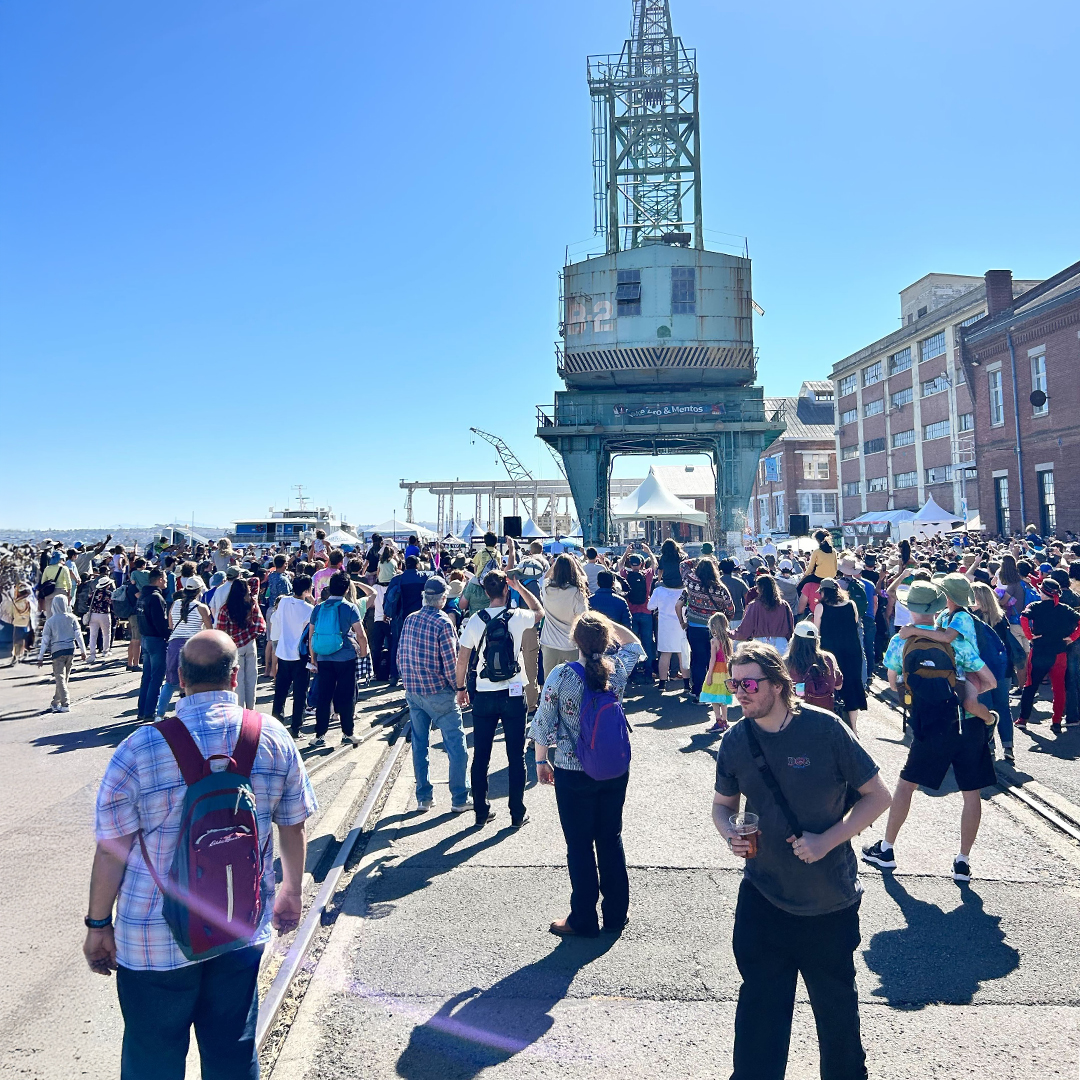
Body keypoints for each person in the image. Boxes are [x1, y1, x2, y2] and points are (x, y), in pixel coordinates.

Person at [85, 630, 315, 1079]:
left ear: (179, 678)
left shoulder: (139, 748)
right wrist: (290, 892)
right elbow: (293, 824)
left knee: (151, 1058)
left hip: (153, 939)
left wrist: (98, 924)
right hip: (238, 925)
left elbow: (112, 851)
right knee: (232, 1050)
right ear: (234, 678)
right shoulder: (270, 736)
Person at [712, 641, 890, 1080]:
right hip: (763, 895)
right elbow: (721, 805)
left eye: (749, 683)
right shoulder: (736, 740)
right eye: (734, 684)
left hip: (827, 901)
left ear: (778, 684)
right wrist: (728, 831)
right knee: (760, 1012)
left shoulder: (826, 730)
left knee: (837, 1017)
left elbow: (878, 797)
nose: (740, 692)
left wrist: (827, 840)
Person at [862, 580, 997, 883]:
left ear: (909, 608)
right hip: (968, 724)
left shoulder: (900, 642)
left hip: (931, 723)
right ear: (937, 608)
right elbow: (990, 681)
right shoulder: (957, 642)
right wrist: (966, 692)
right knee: (970, 792)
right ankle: (962, 862)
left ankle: (887, 848)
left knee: (906, 785)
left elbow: (893, 681)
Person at [531, 612, 643, 937]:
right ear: (607, 640)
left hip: (572, 769)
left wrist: (541, 762)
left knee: (579, 844)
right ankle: (615, 914)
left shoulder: (562, 675)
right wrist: (607, 624)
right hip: (613, 768)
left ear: (575, 641)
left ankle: (583, 918)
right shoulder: (618, 670)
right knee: (610, 838)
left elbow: (543, 722)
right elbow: (634, 645)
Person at [455, 570, 544, 828]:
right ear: (506, 590)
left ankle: (481, 812)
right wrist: (520, 588)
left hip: (484, 692)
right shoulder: (516, 616)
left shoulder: (475, 620)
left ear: (485, 592)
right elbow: (539, 612)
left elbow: (462, 659)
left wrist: (461, 688)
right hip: (513, 692)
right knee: (515, 756)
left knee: (481, 755)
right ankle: (517, 814)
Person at [397, 576, 471, 813]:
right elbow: (452, 664)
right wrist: (460, 688)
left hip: (414, 691)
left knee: (420, 744)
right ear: (442, 598)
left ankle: (424, 797)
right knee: (456, 744)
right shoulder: (442, 622)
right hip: (438, 692)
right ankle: (460, 798)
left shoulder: (410, 619)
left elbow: (401, 655)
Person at [309, 571, 369, 747]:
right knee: (346, 695)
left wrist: (313, 658)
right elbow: (361, 634)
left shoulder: (319, 608)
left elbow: (312, 635)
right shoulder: (350, 607)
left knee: (324, 696)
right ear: (345, 589)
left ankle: (319, 735)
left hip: (323, 657)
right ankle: (347, 732)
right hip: (345, 657)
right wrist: (363, 653)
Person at [1016, 577, 1080, 732]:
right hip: (1059, 653)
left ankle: (1023, 719)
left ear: (1042, 591)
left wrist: (1030, 636)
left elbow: (1023, 618)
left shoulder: (1035, 606)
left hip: (1040, 652)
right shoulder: (1064, 609)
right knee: (1059, 688)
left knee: (1030, 686)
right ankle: (1056, 721)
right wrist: (1072, 638)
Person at [813, 578, 868, 733]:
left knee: (830, 684)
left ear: (824, 592)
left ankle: (831, 725)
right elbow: (855, 622)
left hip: (830, 653)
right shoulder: (851, 604)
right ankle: (854, 728)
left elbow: (816, 632)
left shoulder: (820, 607)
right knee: (852, 684)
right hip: (852, 651)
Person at [677, 556, 734, 702]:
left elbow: (683, 565)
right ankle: (712, 691)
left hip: (694, 627)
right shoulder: (720, 588)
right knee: (713, 660)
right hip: (714, 630)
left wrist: (696, 561)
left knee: (698, 659)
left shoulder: (691, 583)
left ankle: (697, 692)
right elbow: (730, 610)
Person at [971, 582, 1016, 761]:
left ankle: (989, 746)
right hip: (1003, 670)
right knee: (1003, 707)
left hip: (982, 671)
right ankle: (1008, 746)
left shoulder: (972, 620)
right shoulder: (1001, 618)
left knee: (985, 708)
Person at [155, 580, 212, 719]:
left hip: (174, 643)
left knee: (170, 681)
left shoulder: (175, 604)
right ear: (199, 591)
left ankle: (159, 715)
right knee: (193, 681)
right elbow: (210, 629)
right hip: (193, 645)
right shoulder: (201, 607)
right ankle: (190, 713)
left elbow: (170, 624)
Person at [271, 575, 315, 737]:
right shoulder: (309, 609)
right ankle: (296, 728)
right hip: (300, 656)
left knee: (280, 691)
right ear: (306, 590)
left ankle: (276, 724)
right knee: (300, 693)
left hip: (283, 652)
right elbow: (310, 635)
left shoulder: (283, 602)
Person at [215, 577, 266, 711]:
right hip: (250, 643)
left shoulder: (225, 608)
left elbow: (220, 630)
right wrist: (252, 634)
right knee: (251, 679)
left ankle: (240, 710)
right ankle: (251, 709)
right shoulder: (251, 603)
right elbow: (261, 625)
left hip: (234, 646)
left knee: (238, 680)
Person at [539, 554, 590, 676]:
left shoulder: (547, 589)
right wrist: (575, 562)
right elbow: (583, 618)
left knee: (550, 686)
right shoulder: (577, 593)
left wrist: (556, 562)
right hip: (571, 646)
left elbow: (546, 577)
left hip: (549, 645)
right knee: (573, 685)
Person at [383, 555, 429, 686]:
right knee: (420, 645)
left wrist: (387, 613)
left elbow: (388, 598)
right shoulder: (424, 577)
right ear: (417, 565)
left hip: (400, 617)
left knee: (396, 645)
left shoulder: (397, 579)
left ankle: (394, 674)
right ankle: (417, 674)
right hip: (420, 617)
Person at [37, 593, 88, 712]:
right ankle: (55, 702)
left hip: (57, 651)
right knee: (64, 678)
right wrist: (83, 651)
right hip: (70, 650)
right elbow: (78, 635)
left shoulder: (50, 621)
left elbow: (45, 640)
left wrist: (40, 657)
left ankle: (65, 703)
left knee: (59, 677)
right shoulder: (72, 618)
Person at [784, 621, 842, 715]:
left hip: (797, 716)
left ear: (794, 640)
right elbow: (839, 686)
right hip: (825, 715)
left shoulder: (786, 663)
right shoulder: (829, 659)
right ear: (816, 641)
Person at [135, 569, 169, 722]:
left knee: (147, 676)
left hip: (145, 638)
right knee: (156, 677)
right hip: (156, 639)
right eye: (165, 578)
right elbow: (159, 621)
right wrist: (167, 635)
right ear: (160, 579)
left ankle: (142, 709)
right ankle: (150, 711)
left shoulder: (143, 596)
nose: (167, 581)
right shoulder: (156, 597)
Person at [618, 547, 656, 681]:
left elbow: (619, 566)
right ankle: (648, 672)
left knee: (632, 643)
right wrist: (648, 552)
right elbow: (655, 564)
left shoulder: (625, 575)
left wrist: (626, 553)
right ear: (641, 564)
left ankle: (632, 672)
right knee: (647, 643)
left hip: (631, 612)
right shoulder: (647, 575)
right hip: (646, 612)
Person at [732, 574, 794, 652]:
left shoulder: (754, 605)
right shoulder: (784, 605)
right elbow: (790, 628)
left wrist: (730, 633)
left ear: (761, 589)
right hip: (781, 645)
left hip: (761, 644)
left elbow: (745, 631)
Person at [647, 578, 689, 692]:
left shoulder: (659, 590)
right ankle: (686, 684)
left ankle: (662, 684)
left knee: (665, 655)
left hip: (665, 626)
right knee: (683, 655)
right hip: (682, 624)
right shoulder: (686, 589)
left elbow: (650, 606)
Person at [700, 611, 735, 733]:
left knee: (714, 697)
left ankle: (718, 721)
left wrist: (709, 675)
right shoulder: (728, 640)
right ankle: (725, 721)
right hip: (726, 671)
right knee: (723, 698)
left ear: (714, 626)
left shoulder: (714, 641)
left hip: (716, 671)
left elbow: (712, 659)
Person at [87, 563, 116, 664]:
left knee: (93, 634)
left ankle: (92, 653)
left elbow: (88, 602)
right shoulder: (108, 593)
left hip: (93, 614)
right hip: (104, 614)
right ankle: (105, 651)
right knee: (106, 633)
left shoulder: (93, 592)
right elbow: (111, 604)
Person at [3, 582, 33, 665]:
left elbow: (10, 612)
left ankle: (16, 657)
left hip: (17, 624)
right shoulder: (28, 601)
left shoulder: (15, 602)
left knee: (16, 641)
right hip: (26, 624)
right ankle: (23, 654)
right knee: (24, 640)